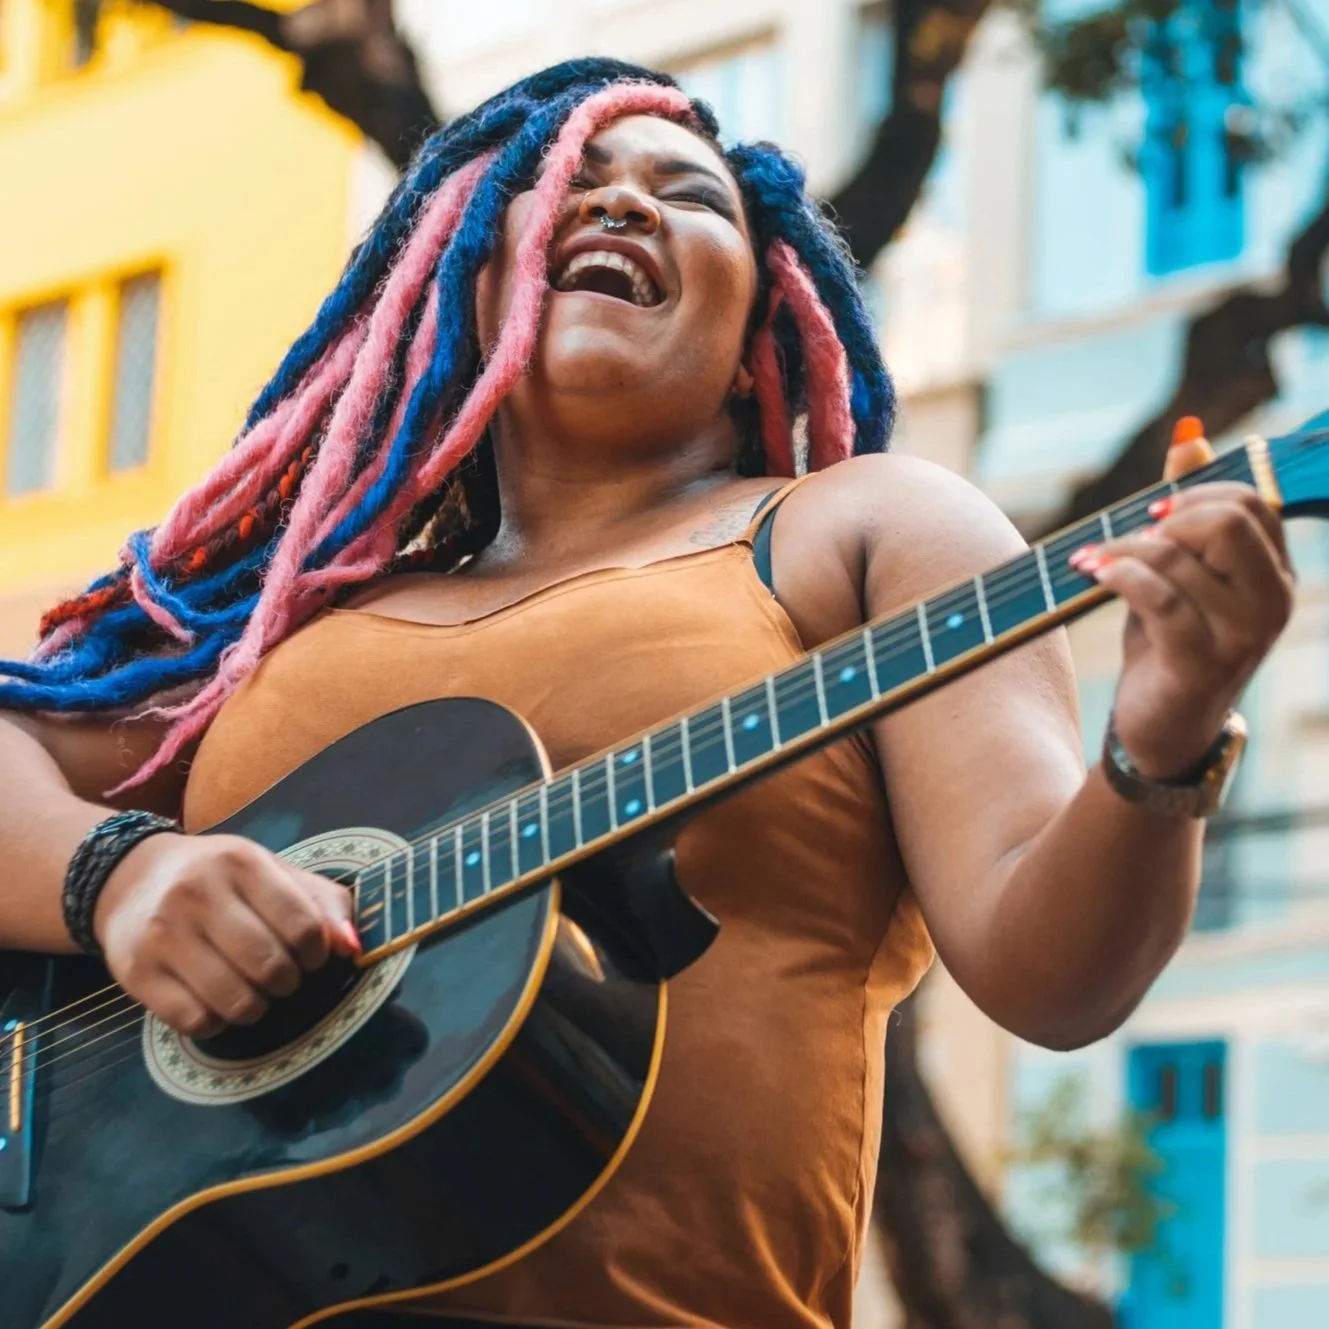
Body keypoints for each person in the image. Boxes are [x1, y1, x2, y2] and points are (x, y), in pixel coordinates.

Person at [0, 58, 1294, 1329]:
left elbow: (1052, 977)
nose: (620, 202)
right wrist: (115, 876)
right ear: (461, 281)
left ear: (752, 336)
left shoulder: (861, 529)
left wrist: (1165, 736)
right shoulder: (294, 617)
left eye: (690, 196)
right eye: (568, 177)